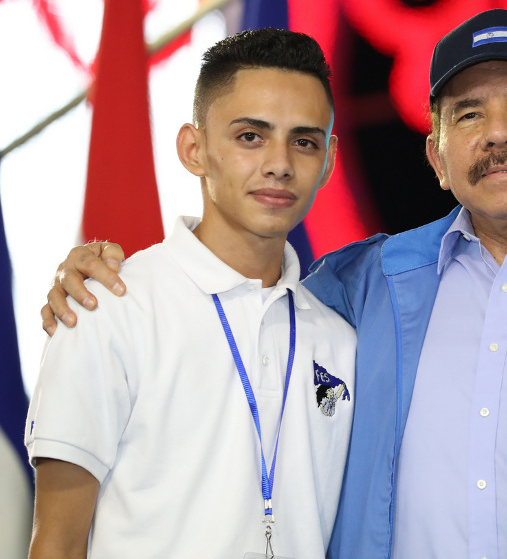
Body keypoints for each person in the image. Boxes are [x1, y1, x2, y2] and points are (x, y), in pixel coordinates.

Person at [41, 10, 507, 558]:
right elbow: (236, 297)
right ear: (437, 157)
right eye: (467, 114)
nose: (497, 133)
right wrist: (99, 275)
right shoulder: (359, 287)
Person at [27, 28, 356, 559]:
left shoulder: (340, 340)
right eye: (250, 136)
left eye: (304, 141)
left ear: (329, 160)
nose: (279, 163)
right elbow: (57, 543)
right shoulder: (107, 308)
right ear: (194, 149)